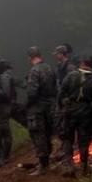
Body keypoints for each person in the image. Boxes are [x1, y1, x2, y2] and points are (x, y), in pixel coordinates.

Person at [58, 54, 92, 177]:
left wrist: (64, 106)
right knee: (83, 140)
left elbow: (61, 94)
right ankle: (84, 168)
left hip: (70, 112)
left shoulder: (71, 75)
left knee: (68, 138)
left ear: (82, 63)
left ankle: (69, 166)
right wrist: (90, 110)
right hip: (85, 114)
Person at [25, 46, 57, 175]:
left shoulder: (34, 71)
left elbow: (32, 92)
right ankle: (46, 162)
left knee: (38, 135)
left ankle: (43, 165)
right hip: (50, 106)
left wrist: (28, 105)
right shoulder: (49, 68)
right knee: (48, 133)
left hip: (37, 108)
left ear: (29, 58)